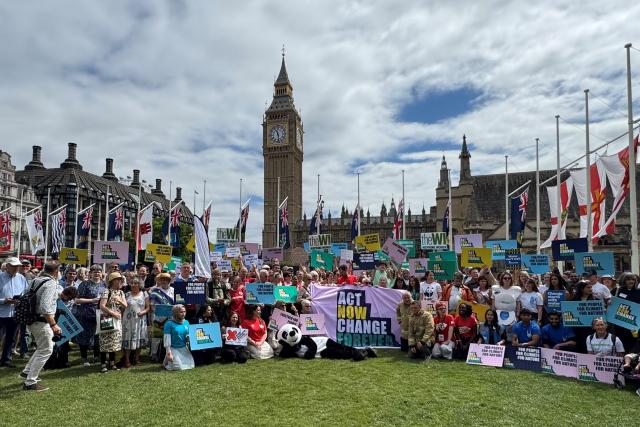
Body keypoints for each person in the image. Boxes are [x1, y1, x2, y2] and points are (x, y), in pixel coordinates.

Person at [20, 261, 62, 391]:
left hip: (31, 319)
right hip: (41, 321)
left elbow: (24, 295)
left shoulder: (35, 280)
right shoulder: (51, 283)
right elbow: (45, 307)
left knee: (43, 347)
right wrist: (54, 324)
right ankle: (30, 382)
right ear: (56, 271)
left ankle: (27, 371)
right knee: (46, 349)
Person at [74, 264, 105, 366]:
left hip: (99, 313)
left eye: (99, 271)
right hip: (85, 313)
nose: (97, 273)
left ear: (101, 274)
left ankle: (96, 356)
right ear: (90, 273)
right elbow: (77, 300)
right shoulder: (84, 284)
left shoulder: (104, 285)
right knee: (85, 336)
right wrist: (92, 300)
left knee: (98, 335)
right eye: (94, 271)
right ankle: (84, 358)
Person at [0, 257, 28, 367]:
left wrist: (20, 300)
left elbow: (25, 294)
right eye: (14, 266)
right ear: (7, 266)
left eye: (18, 266)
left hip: (15, 313)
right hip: (1, 313)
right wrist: (4, 301)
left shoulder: (21, 278)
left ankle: (6, 359)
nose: (16, 268)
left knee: (10, 337)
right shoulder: (0, 277)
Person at [98, 272, 127, 372]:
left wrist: (119, 300)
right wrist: (113, 313)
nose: (120, 281)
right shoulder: (107, 291)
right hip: (107, 319)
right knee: (105, 341)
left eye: (120, 280)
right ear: (112, 281)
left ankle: (112, 363)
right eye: (117, 279)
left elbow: (125, 305)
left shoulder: (121, 293)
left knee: (114, 342)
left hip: (117, 320)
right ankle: (103, 364)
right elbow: (102, 305)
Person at [122, 277, 149, 368]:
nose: (133, 285)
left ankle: (137, 358)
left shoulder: (144, 294)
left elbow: (148, 308)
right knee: (127, 340)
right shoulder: (127, 294)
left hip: (140, 320)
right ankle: (127, 360)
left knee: (139, 339)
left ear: (139, 284)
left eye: (135, 283)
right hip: (128, 321)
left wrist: (143, 312)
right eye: (132, 283)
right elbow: (122, 307)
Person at [149, 272, 175, 361]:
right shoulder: (155, 291)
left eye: (166, 279)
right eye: (162, 279)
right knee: (156, 337)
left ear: (169, 281)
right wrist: (156, 311)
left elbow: (178, 303)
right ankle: (154, 354)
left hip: (171, 318)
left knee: (170, 336)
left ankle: (170, 353)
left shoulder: (174, 290)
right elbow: (151, 304)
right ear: (160, 281)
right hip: (159, 317)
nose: (164, 281)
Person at [613, 272, 640, 352]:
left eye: (633, 279)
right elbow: (611, 304)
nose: (631, 281)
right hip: (620, 322)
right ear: (624, 280)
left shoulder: (638, 291)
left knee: (634, 343)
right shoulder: (617, 290)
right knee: (620, 344)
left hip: (634, 322)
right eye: (628, 279)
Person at [163, 304, 195, 370]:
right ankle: (167, 362)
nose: (183, 314)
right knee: (179, 367)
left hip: (183, 347)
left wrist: (188, 338)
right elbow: (167, 340)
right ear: (176, 312)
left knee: (191, 365)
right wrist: (169, 353)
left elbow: (188, 335)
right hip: (173, 348)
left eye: (184, 311)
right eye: (181, 312)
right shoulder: (169, 324)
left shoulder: (186, 322)